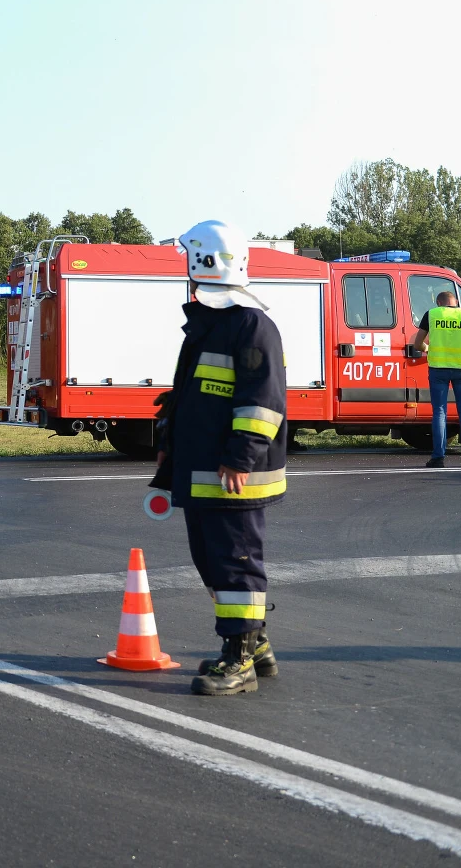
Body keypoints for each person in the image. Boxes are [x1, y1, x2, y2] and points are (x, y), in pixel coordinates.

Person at [151, 220, 287, 697]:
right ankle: (256, 645)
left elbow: (262, 401)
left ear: (201, 264)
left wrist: (240, 458)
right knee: (213, 564)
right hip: (204, 468)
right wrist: (170, 431)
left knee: (236, 565)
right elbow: (197, 394)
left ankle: (240, 662)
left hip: (233, 475)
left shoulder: (251, 326)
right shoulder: (208, 326)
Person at [412, 291, 461, 468]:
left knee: (439, 411)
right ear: (455, 302)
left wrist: (429, 349)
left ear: (439, 302)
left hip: (438, 368)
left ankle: (438, 457)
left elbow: (417, 344)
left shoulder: (432, 314)